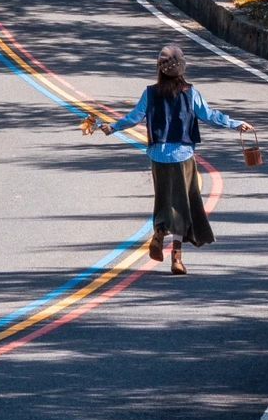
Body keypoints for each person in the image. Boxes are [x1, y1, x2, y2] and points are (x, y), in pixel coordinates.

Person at [100, 44, 255, 274]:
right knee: (183, 205)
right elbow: (210, 115)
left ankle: (159, 231)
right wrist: (235, 124)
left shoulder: (150, 93)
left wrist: (112, 127)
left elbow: (134, 117)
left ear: (159, 69)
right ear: (182, 68)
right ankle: (177, 258)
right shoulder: (191, 93)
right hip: (183, 156)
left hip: (158, 156)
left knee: (163, 199)